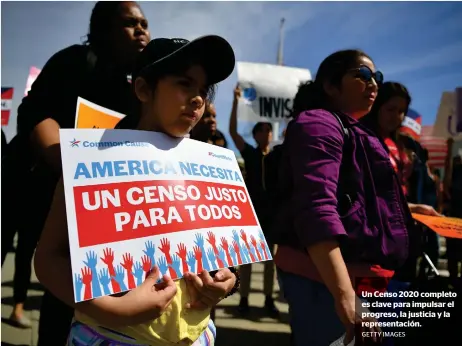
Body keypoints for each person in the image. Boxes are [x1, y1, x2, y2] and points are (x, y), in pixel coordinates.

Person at [35, 34, 238, 345]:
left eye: (203, 90)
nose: (199, 98)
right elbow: (49, 258)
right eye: (185, 84)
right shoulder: (93, 158)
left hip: (198, 335)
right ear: (144, 89)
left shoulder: (208, 167)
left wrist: (228, 279)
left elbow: (222, 252)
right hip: (111, 335)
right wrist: (113, 309)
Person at [2, 0, 150, 338]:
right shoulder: (74, 61)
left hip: (79, 208)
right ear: (104, 30)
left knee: (67, 294)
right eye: (130, 23)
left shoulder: (136, 89)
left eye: (144, 23)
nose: (141, 29)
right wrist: (69, 163)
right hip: (27, 185)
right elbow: (36, 114)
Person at [273, 49, 439, 346]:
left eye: (376, 76)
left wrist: (411, 209)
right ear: (330, 86)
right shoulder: (319, 124)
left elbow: (356, 199)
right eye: (362, 75)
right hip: (321, 280)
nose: (373, 83)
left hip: (358, 278)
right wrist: (344, 295)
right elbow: (317, 208)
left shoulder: (354, 130)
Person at [228, 85, 279, 316]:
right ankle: (244, 299)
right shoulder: (249, 153)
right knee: (247, 262)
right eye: (263, 130)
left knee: (270, 264)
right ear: (256, 135)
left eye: (270, 130)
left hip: (271, 219)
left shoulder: (279, 156)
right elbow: (233, 132)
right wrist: (236, 100)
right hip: (252, 216)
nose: (267, 134)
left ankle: (269, 299)